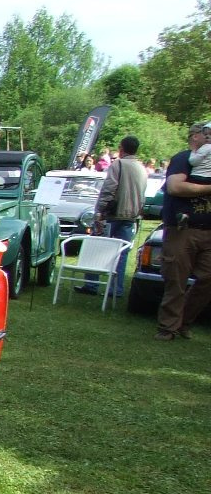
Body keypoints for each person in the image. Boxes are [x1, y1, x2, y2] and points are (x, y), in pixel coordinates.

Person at [155, 121, 211, 340]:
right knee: (176, 280)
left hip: (209, 230)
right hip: (183, 229)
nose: (207, 137)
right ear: (194, 137)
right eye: (204, 134)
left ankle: (183, 322)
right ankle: (168, 328)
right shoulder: (183, 159)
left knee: (208, 279)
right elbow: (175, 187)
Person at [81, 135, 147, 297]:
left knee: (97, 248)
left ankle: (92, 284)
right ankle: (116, 289)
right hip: (131, 216)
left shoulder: (119, 164)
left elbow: (109, 189)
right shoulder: (141, 167)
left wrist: (100, 212)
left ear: (121, 148)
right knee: (122, 253)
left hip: (113, 214)